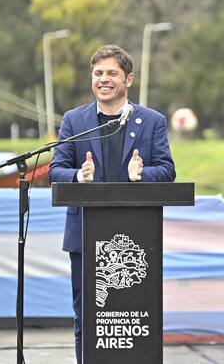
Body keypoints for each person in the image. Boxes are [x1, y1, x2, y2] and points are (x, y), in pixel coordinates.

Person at [48, 44, 176, 364]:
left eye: (112, 74)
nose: (104, 79)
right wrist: (79, 175)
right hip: (85, 237)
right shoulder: (75, 121)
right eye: (98, 73)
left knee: (134, 320)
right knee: (88, 319)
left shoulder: (152, 121)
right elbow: (55, 170)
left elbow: (168, 170)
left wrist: (142, 175)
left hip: (136, 240)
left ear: (128, 79)